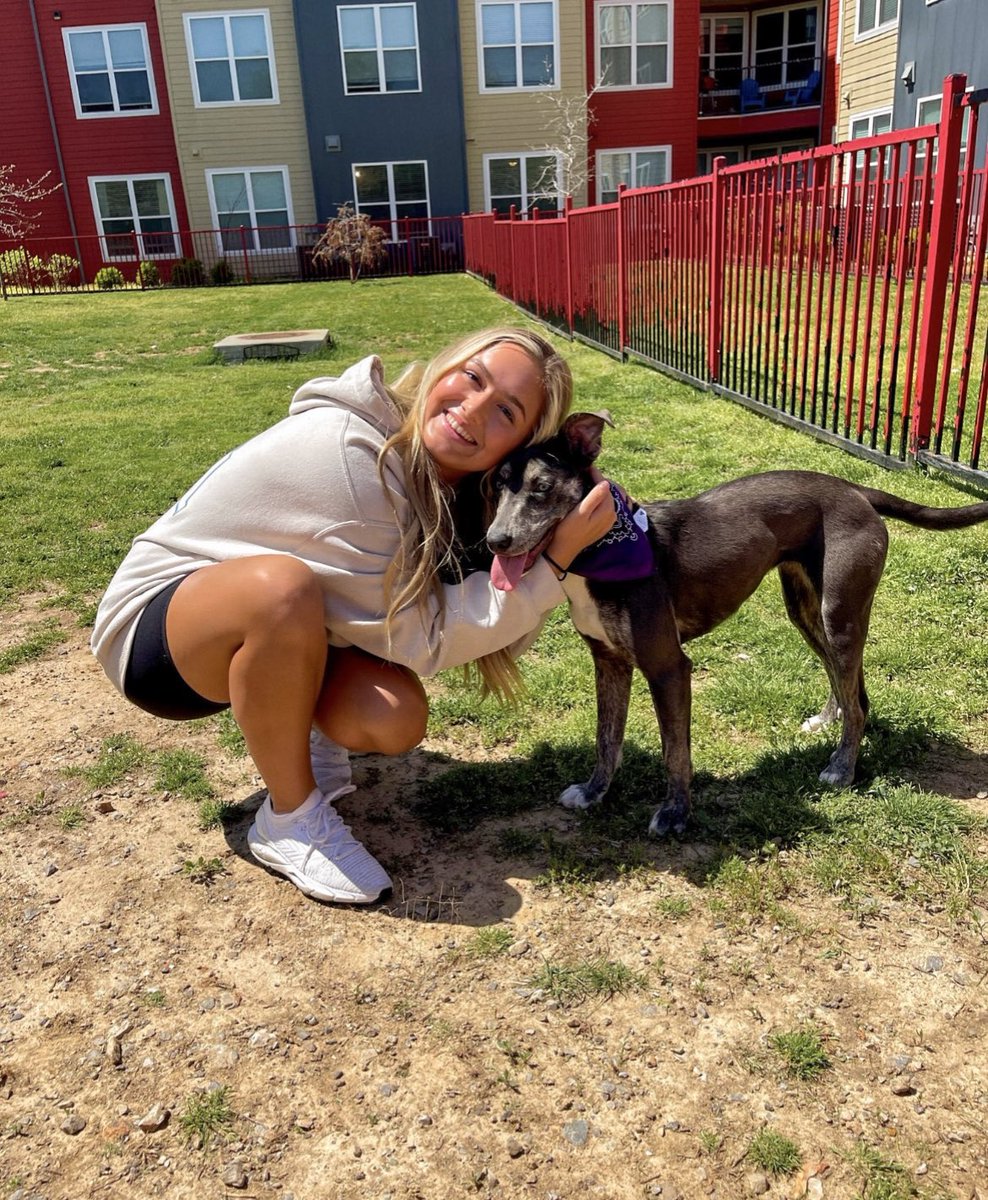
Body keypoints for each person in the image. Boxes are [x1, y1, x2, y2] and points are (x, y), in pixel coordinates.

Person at [91, 327, 616, 905]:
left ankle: (303, 738)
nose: (472, 410)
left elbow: (481, 635)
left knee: (389, 717)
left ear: (520, 445)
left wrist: (551, 530)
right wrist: (558, 563)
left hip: (295, 627)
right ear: (448, 368)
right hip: (157, 636)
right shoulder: (351, 456)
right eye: (473, 378)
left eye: (506, 412)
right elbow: (428, 640)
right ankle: (289, 821)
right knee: (279, 591)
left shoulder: (460, 484)